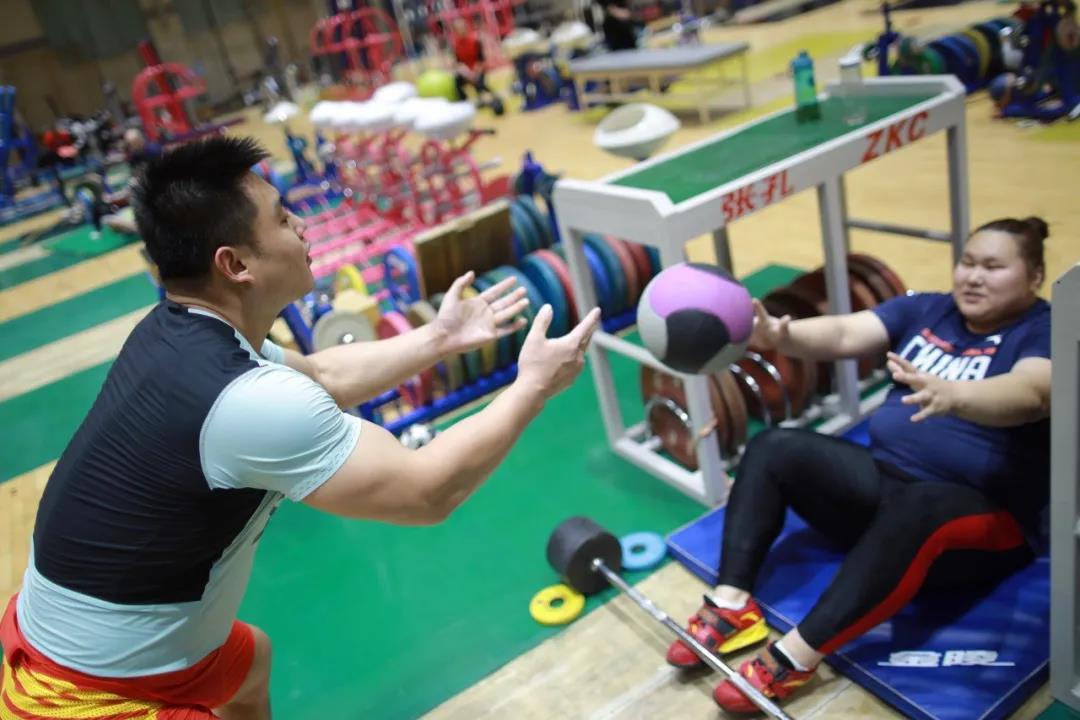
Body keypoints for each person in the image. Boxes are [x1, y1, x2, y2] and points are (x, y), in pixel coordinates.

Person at [0, 136, 601, 719]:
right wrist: (533, 386)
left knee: (250, 662)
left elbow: (322, 373)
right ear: (235, 265)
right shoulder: (245, 401)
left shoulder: (176, 327)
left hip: (83, 631)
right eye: (285, 221)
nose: (305, 230)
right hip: (87, 694)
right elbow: (427, 491)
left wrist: (439, 338)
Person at [665, 217, 1053, 713]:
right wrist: (778, 334)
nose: (973, 277)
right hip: (885, 491)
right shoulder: (930, 309)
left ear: (1034, 276)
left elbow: (1031, 392)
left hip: (982, 525)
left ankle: (794, 658)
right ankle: (732, 605)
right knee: (775, 447)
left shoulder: (1044, 331)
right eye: (968, 262)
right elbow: (846, 332)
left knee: (922, 506)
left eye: (994, 267)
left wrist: (956, 395)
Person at [449, 16, 503, 113]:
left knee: (479, 84)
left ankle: (495, 98)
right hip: (466, 71)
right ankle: (464, 104)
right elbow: (458, 63)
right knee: (456, 81)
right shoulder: (456, 45)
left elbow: (481, 60)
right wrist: (466, 73)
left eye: (462, 28)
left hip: (478, 70)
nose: (460, 30)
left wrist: (475, 74)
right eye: (457, 29)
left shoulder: (475, 41)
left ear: (466, 28)